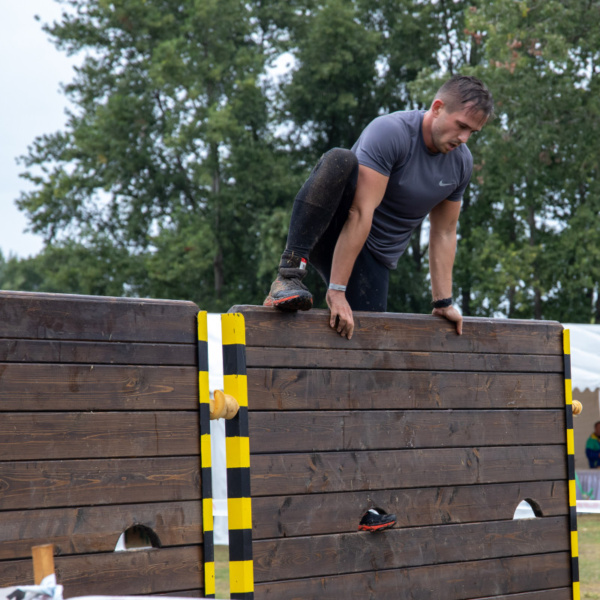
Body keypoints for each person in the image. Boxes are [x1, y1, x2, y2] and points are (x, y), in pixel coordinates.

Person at [264, 75, 494, 339]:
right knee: (339, 159)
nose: (464, 138)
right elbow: (360, 212)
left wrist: (443, 302)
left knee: (365, 338)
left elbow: (444, 232)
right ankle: (289, 276)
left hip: (374, 257)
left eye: (472, 132)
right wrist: (337, 291)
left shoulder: (461, 163)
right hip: (333, 226)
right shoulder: (391, 132)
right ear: (438, 107)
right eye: (461, 126)